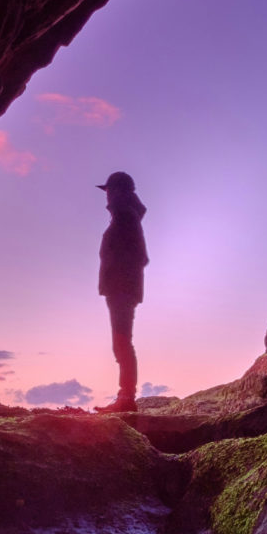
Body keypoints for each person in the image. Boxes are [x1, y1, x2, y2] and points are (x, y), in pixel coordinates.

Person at [94, 171, 148, 413]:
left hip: (121, 289)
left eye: (108, 191)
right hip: (121, 288)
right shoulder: (126, 215)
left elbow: (138, 256)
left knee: (122, 342)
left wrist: (117, 280)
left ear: (116, 191)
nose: (106, 198)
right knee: (122, 342)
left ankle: (126, 399)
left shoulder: (125, 216)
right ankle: (125, 397)